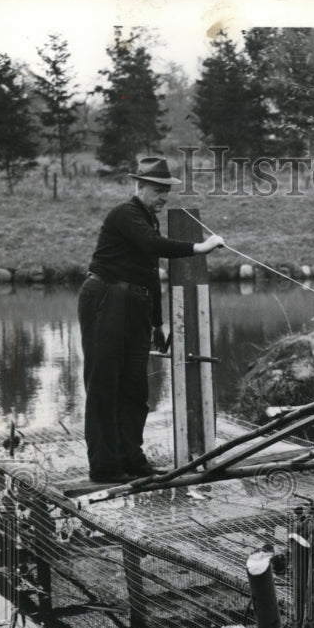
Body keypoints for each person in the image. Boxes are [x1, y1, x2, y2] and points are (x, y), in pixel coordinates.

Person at [78, 155, 225, 482]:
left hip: (135, 305)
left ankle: (132, 460)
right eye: (158, 190)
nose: (164, 197)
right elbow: (152, 245)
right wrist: (200, 248)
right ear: (140, 187)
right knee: (104, 385)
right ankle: (104, 467)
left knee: (135, 387)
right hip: (105, 298)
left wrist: (157, 323)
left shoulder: (147, 219)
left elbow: (149, 274)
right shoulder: (125, 214)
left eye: (166, 191)